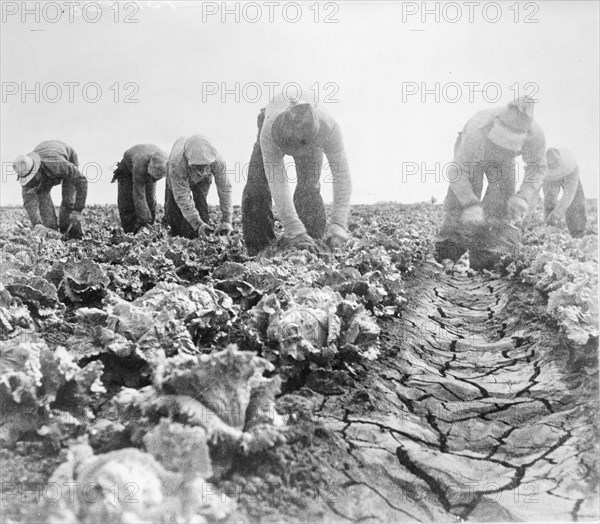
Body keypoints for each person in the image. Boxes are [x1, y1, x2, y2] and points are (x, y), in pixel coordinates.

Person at [434, 96, 547, 270]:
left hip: (505, 162)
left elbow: (537, 168)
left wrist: (523, 196)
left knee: (501, 203)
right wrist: (470, 204)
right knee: (460, 204)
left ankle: (486, 259)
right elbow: (457, 171)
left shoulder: (536, 135)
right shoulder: (477, 129)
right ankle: (446, 255)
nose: (501, 148)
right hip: (473, 156)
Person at [241, 93, 352, 255]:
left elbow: (341, 175)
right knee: (256, 187)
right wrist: (294, 228)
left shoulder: (329, 127)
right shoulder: (270, 131)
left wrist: (339, 224)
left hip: (311, 133)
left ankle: (312, 247)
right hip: (272, 120)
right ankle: (260, 251)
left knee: (309, 187)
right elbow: (277, 179)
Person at [13, 140, 88, 239]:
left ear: (37, 169)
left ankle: (73, 236)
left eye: (32, 177)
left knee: (69, 201)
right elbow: (29, 201)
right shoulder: (26, 174)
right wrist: (37, 223)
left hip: (67, 157)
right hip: (46, 160)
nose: (31, 181)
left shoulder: (58, 165)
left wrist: (78, 210)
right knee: (45, 209)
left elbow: (82, 181)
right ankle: (55, 236)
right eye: (28, 179)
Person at [164, 135, 232, 239]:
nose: (201, 171)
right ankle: (177, 239)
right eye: (198, 167)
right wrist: (197, 224)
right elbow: (182, 197)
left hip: (203, 179)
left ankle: (203, 236)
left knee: (201, 203)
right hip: (177, 175)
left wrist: (227, 220)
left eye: (205, 166)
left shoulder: (217, 161)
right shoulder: (177, 164)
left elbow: (225, 189)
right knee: (173, 212)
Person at [112, 144, 167, 233]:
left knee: (150, 199)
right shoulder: (140, 163)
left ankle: (149, 229)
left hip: (149, 168)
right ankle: (131, 231)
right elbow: (139, 194)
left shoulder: (165, 161)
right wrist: (144, 220)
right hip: (126, 171)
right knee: (127, 202)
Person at [543, 148, 587, 238]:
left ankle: (578, 234)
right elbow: (547, 196)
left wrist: (557, 214)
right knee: (549, 200)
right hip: (550, 178)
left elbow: (569, 194)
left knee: (576, 202)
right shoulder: (544, 171)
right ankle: (551, 232)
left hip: (570, 175)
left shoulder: (571, 167)